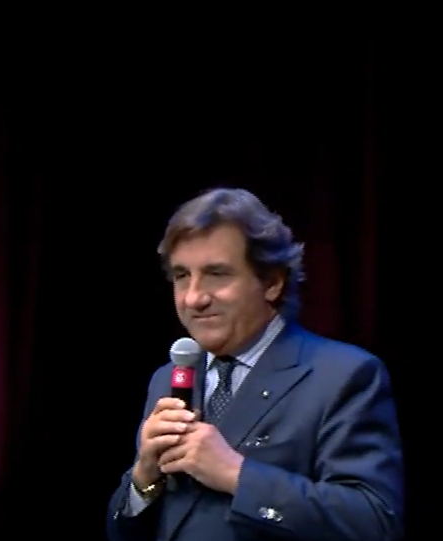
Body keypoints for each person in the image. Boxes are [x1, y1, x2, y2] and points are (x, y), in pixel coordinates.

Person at [105, 188, 404, 541]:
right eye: (182, 275)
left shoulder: (344, 375)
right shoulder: (167, 379)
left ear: (272, 282)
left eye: (216, 273)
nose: (194, 298)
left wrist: (236, 474)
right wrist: (143, 479)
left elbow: (374, 523)